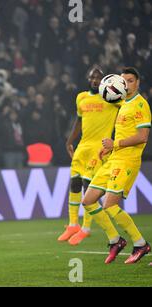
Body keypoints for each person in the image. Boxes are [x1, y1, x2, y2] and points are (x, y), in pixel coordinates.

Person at [81, 67, 150, 264]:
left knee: (110, 205)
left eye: (130, 80)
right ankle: (115, 240)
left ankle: (140, 244)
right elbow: (124, 133)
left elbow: (142, 136)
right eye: (123, 80)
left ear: (138, 83)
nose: (126, 84)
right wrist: (110, 149)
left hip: (127, 160)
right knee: (88, 201)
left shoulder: (139, 105)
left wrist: (115, 144)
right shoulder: (123, 103)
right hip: (114, 159)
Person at [57, 67, 120, 245]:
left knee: (87, 186)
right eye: (92, 77)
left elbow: (125, 109)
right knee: (75, 182)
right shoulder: (81, 97)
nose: (95, 80)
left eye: (98, 77)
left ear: (104, 80)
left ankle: (86, 228)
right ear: (88, 78)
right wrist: (70, 140)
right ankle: (72, 225)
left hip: (98, 148)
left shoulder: (111, 97)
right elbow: (79, 120)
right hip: (83, 146)